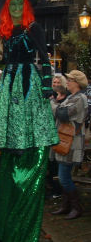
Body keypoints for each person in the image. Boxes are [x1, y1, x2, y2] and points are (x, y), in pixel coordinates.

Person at [0, 0, 59, 241]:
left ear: (25, 7)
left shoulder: (33, 28)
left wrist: (47, 84)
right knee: (9, 109)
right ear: (6, 8)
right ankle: (11, 141)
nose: (16, 8)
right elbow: (1, 59)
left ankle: (26, 140)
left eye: (20, 4)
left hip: (27, 78)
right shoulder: (4, 32)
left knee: (26, 108)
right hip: (9, 79)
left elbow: (45, 58)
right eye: (12, 5)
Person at [50, 70, 88, 220]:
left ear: (77, 83)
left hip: (71, 142)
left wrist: (54, 104)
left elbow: (63, 114)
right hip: (65, 140)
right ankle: (66, 206)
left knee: (64, 176)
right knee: (63, 175)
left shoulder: (80, 98)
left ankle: (76, 207)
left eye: (70, 80)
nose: (68, 82)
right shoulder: (72, 97)